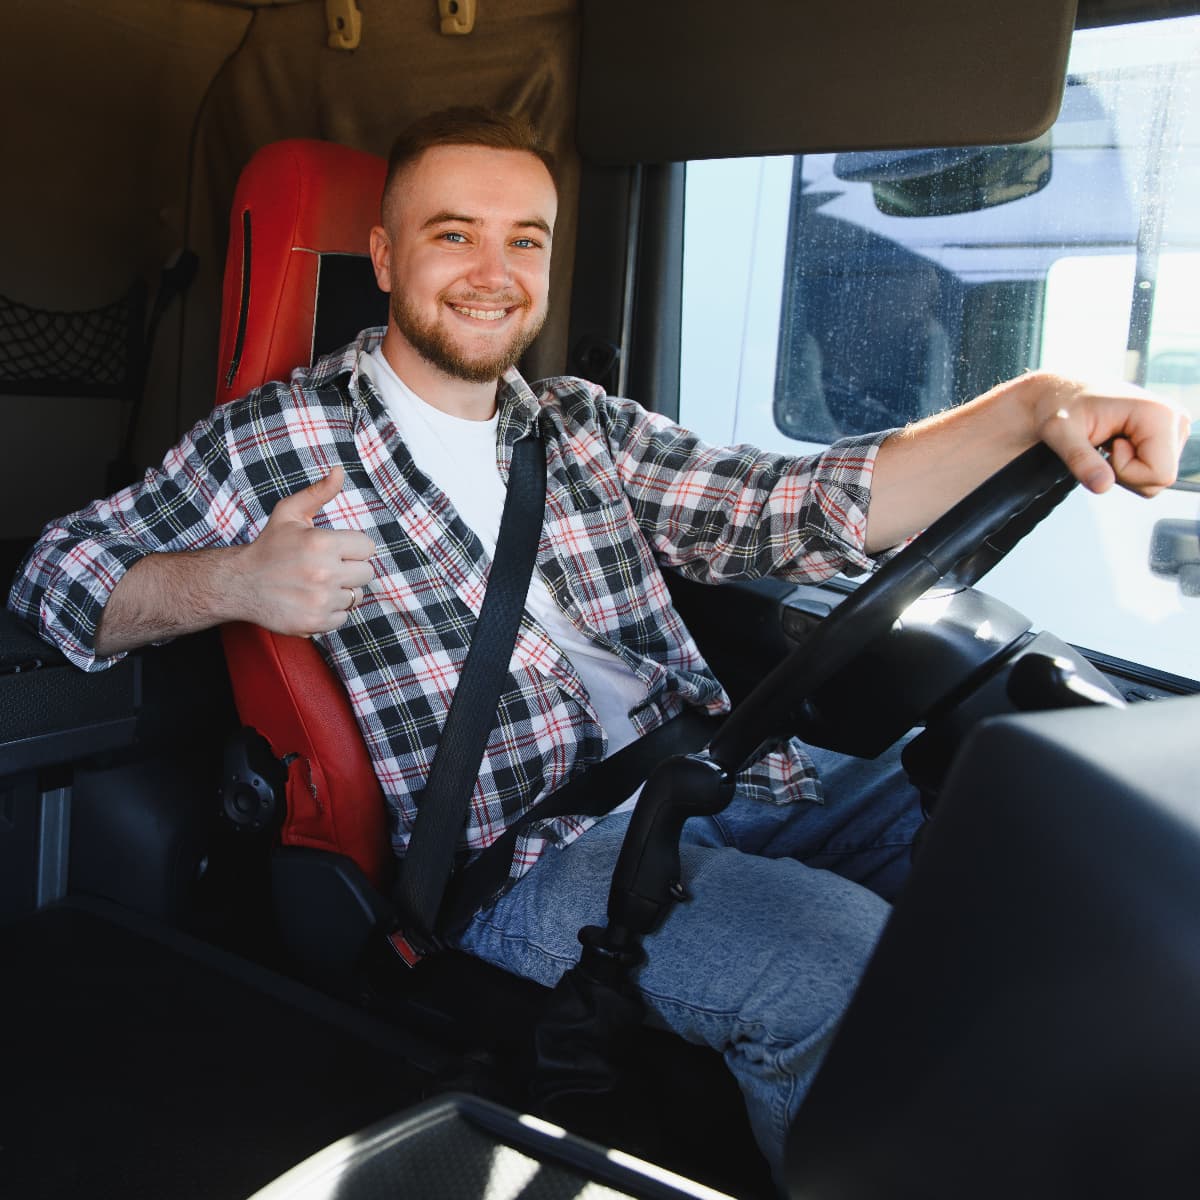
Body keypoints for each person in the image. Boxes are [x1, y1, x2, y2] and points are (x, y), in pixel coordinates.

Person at [8, 108, 1188, 1188]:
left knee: (1027, 815)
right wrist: (238, 581)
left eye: (524, 240)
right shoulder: (277, 436)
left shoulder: (577, 423)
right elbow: (56, 581)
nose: (493, 272)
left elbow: (791, 502)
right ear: (383, 258)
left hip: (719, 774)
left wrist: (1032, 408)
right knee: (835, 962)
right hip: (531, 856)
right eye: (453, 235)